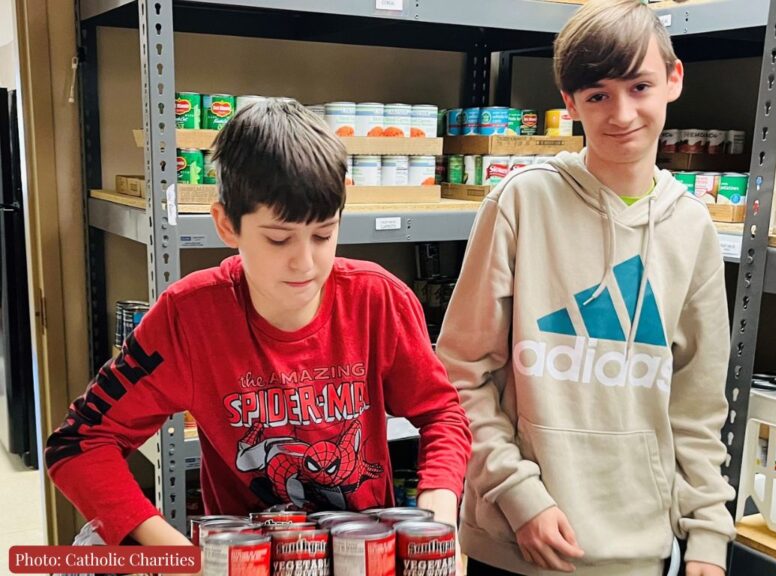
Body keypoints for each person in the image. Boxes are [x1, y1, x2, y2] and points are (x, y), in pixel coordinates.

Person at [45, 99, 471, 550]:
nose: (305, 262)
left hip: (366, 553)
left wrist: (435, 519)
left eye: (324, 234)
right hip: (245, 557)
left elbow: (443, 415)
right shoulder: (188, 317)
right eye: (278, 238)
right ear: (227, 225)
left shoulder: (379, 299)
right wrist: (175, 553)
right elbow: (78, 444)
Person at [435, 0, 736, 574]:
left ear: (674, 80)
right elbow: (459, 373)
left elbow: (697, 406)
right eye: (597, 95)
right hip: (516, 545)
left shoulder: (692, 226)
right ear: (570, 104)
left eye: (639, 86)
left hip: (639, 551)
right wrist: (519, 496)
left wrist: (707, 539)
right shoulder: (520, 202)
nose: (621, 113)